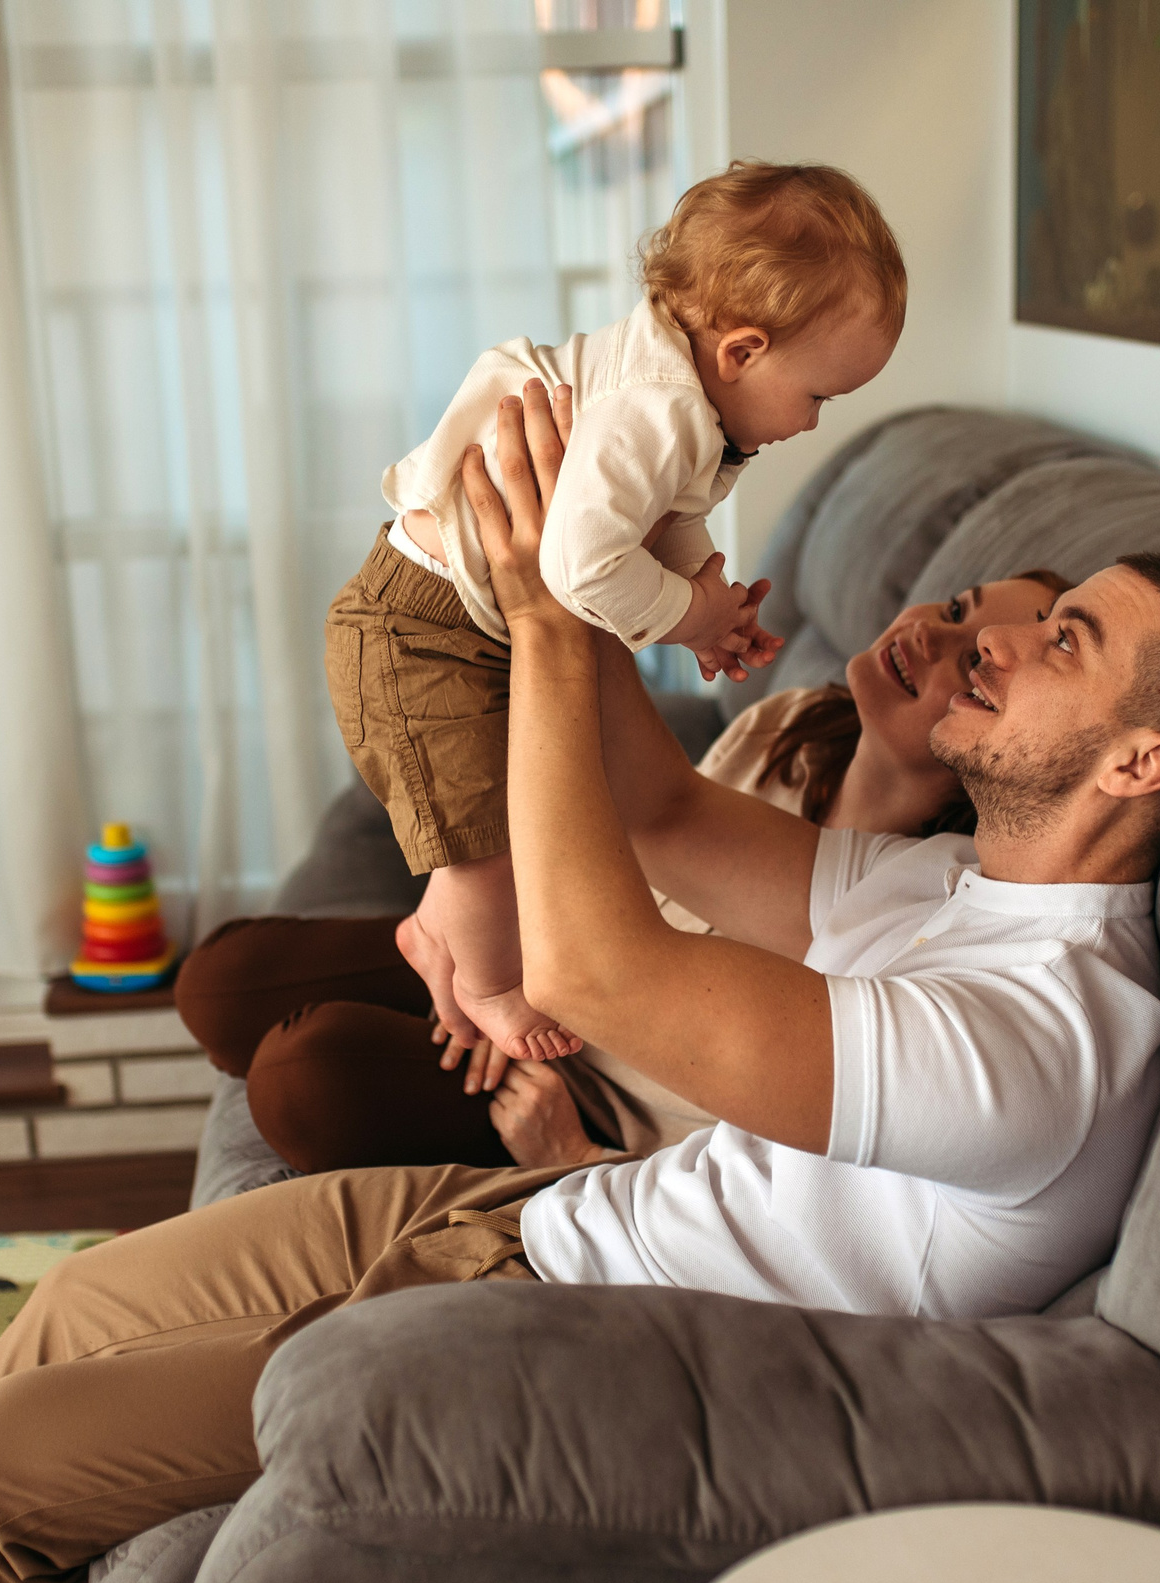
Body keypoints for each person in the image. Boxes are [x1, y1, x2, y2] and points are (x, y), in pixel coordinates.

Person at [0, 391, 1160, 1583]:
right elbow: (654, 806)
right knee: (69, 1308)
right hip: (542, 1225)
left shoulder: (1033, 1041)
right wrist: (603, 526)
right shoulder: (950, 888)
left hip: (560, 1332)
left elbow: (605, 973)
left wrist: (550, 627)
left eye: (1063, 642)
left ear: (1141, 764)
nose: (993, 630)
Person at [183, 380, 1066, 1175]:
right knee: (216, 982)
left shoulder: (906, 912)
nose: (932, 635)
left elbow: (771, 1136)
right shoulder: (788, 724)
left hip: (588, 1089)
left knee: (306, 1077)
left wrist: (576, 1154)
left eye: (974, 661)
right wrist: (586, 547)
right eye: (955, 609)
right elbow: (636, 812)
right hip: (537, 943)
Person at [334, 160, 905, 1062]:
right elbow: (581, 564)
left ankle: (436, 931)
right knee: (487, 843)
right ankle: (486, 984)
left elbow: (659, 523)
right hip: (426, 630)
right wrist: (685, 614)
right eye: (819, 395)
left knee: (511, 827)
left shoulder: (680, 403)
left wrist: (706, 612)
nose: (813, 423)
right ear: (743, 352)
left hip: (460, 619)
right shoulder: (664, 411)